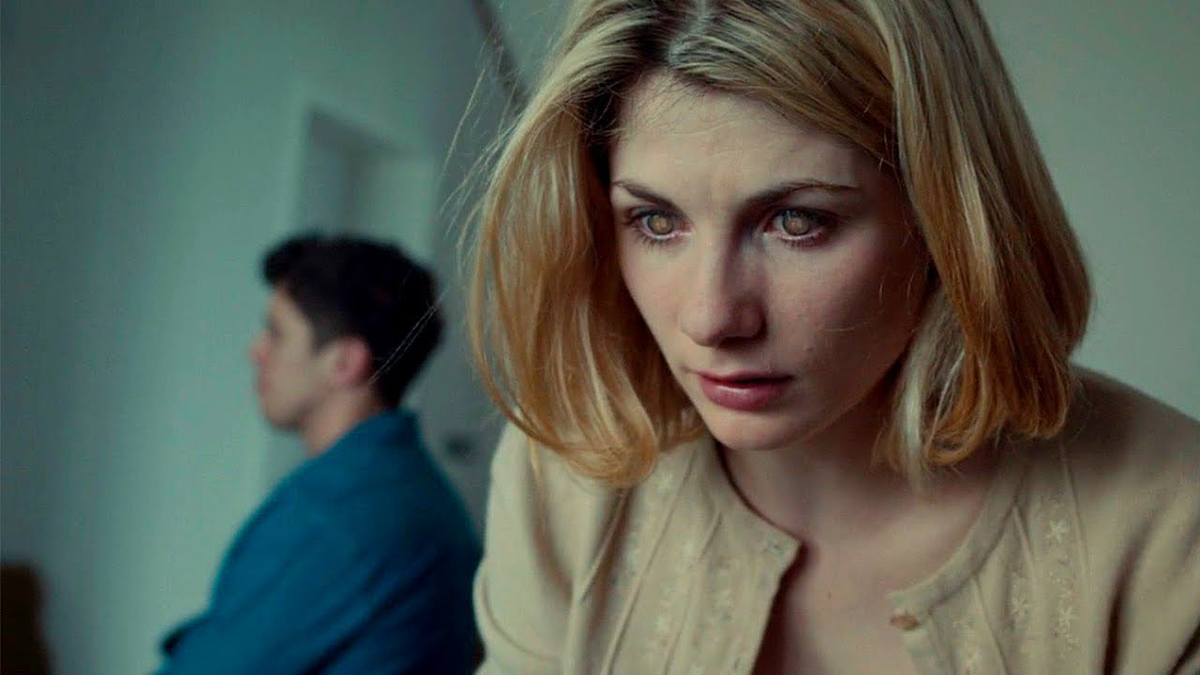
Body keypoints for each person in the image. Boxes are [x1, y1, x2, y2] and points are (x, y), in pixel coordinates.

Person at [466, 1, 1200, 673]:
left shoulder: (1173, 528)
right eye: (656, 221)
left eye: (797, 221)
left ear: (944, 217)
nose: (711, 318)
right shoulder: (565, 476)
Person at [156, 234, 480, 674]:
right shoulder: (420, 492)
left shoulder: (335, 515)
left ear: (344, 363)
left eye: (276, 333)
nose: (255, 351)